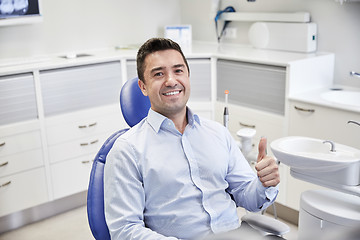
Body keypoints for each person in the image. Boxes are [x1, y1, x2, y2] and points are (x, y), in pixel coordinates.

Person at [104, 38, 280, 240]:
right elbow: (124, 230)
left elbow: (246, 195)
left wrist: (263, 184)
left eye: (178, 71)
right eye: (159, 74)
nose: (171, 80)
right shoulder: (127, 150)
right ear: (143, 87)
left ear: (188, 77)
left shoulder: (218, 133)